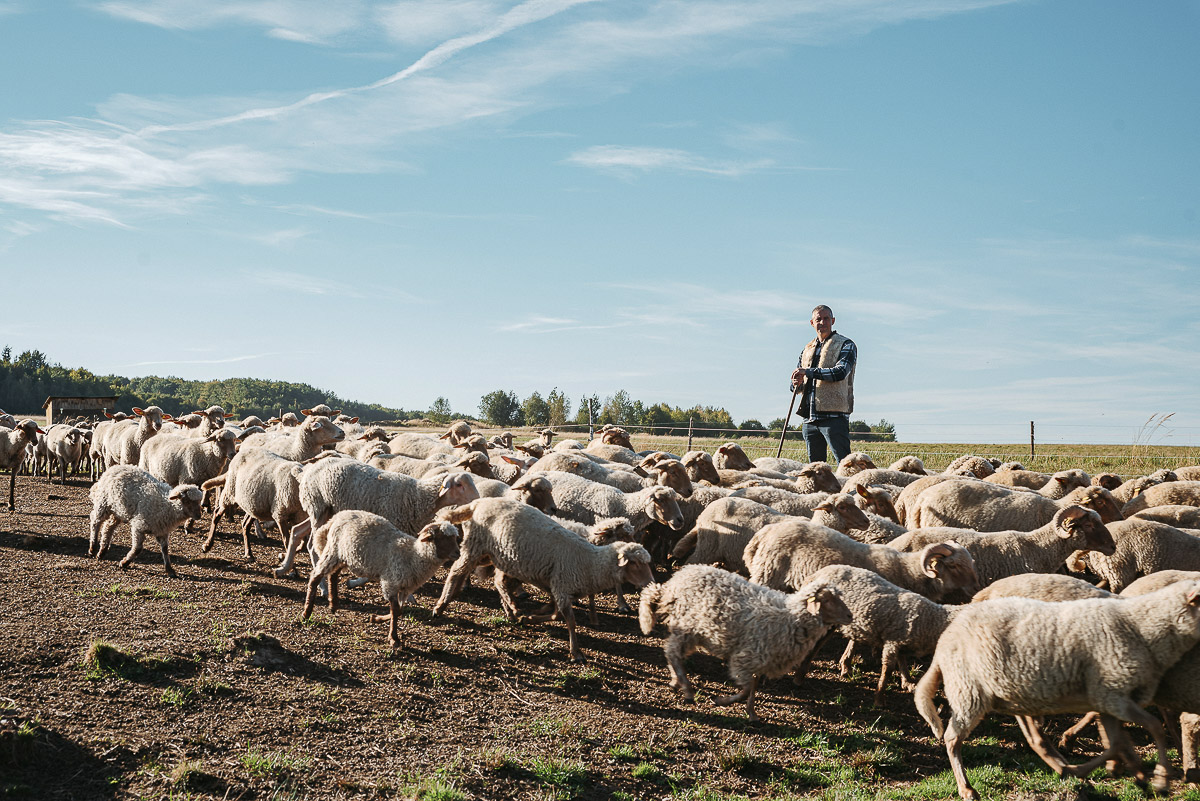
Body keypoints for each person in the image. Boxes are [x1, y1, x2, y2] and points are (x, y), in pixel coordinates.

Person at [790, 305, 857, 464]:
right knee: (815, 470)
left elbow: (840, 372)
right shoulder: (806, 349)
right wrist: (796, 383)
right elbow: (797, 387)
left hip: (834, 416)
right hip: (809, 419)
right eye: (818, 319)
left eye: (826, 318)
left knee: (846, 464)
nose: (822, 322)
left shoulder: (846, 344)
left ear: (833, 321)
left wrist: (808, 372)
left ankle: (852, 489)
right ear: (812, 323)